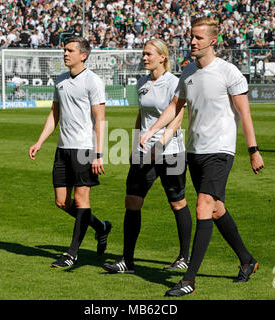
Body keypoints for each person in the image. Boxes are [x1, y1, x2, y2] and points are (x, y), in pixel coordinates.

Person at [140, 17, 265, 297]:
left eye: (198, 37)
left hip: (220, 150)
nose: (192, 42)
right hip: (195, 151)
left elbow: (244, 113)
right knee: (216, 208)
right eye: (191, 36)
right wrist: (152, 131)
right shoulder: (187, 73)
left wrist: (253, 150)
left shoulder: (229, 73)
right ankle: (247, 259)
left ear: (213, 40)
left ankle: (189, 278)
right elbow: (175, 105)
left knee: (203, 206)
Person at [103, 39, 192, 274]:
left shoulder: (175, 82)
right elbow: (141, 116)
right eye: (143, 54)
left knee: (177, 203)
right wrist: (135, 146)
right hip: (144, 153)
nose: (144, 58)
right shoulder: (141, 83)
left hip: (171, 153)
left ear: (162, 57)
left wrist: (160, 145)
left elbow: (178, 118)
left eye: (148, 54)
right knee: (132, 202)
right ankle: (127, 260)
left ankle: (184, 257)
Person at [28, 36, 112, 268]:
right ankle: (101, 227)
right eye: (64, 50)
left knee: (81, 198)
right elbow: (55, 114)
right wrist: (40, 141)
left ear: (82, 55)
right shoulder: (61, 80)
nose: (65, 53)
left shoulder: (93, 81)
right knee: (61, 202)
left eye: (69, 50)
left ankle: (72, 254)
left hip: (84, 149)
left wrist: (98, 154)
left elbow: (100, 119)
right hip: (62, 149)